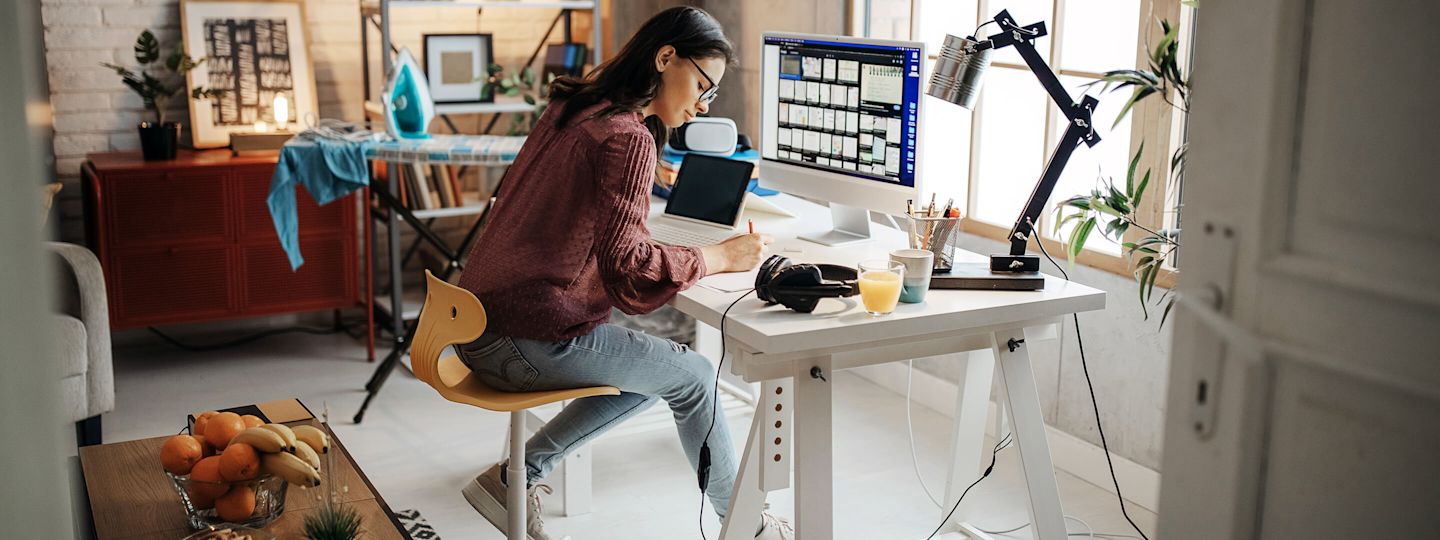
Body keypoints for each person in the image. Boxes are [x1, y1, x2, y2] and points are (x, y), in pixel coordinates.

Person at [454, 6, 791, 540]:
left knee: (657, 368)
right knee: (696, 376)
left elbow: (577, 201)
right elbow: (629, 274)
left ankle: (516, 476)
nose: (703, 105)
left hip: (472, 323)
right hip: (522, 341)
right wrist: (718, 257)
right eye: (703, 85)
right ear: (665, 58)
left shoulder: (578, 105)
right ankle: (748, 525)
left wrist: (647, 176)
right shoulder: (627, 136)